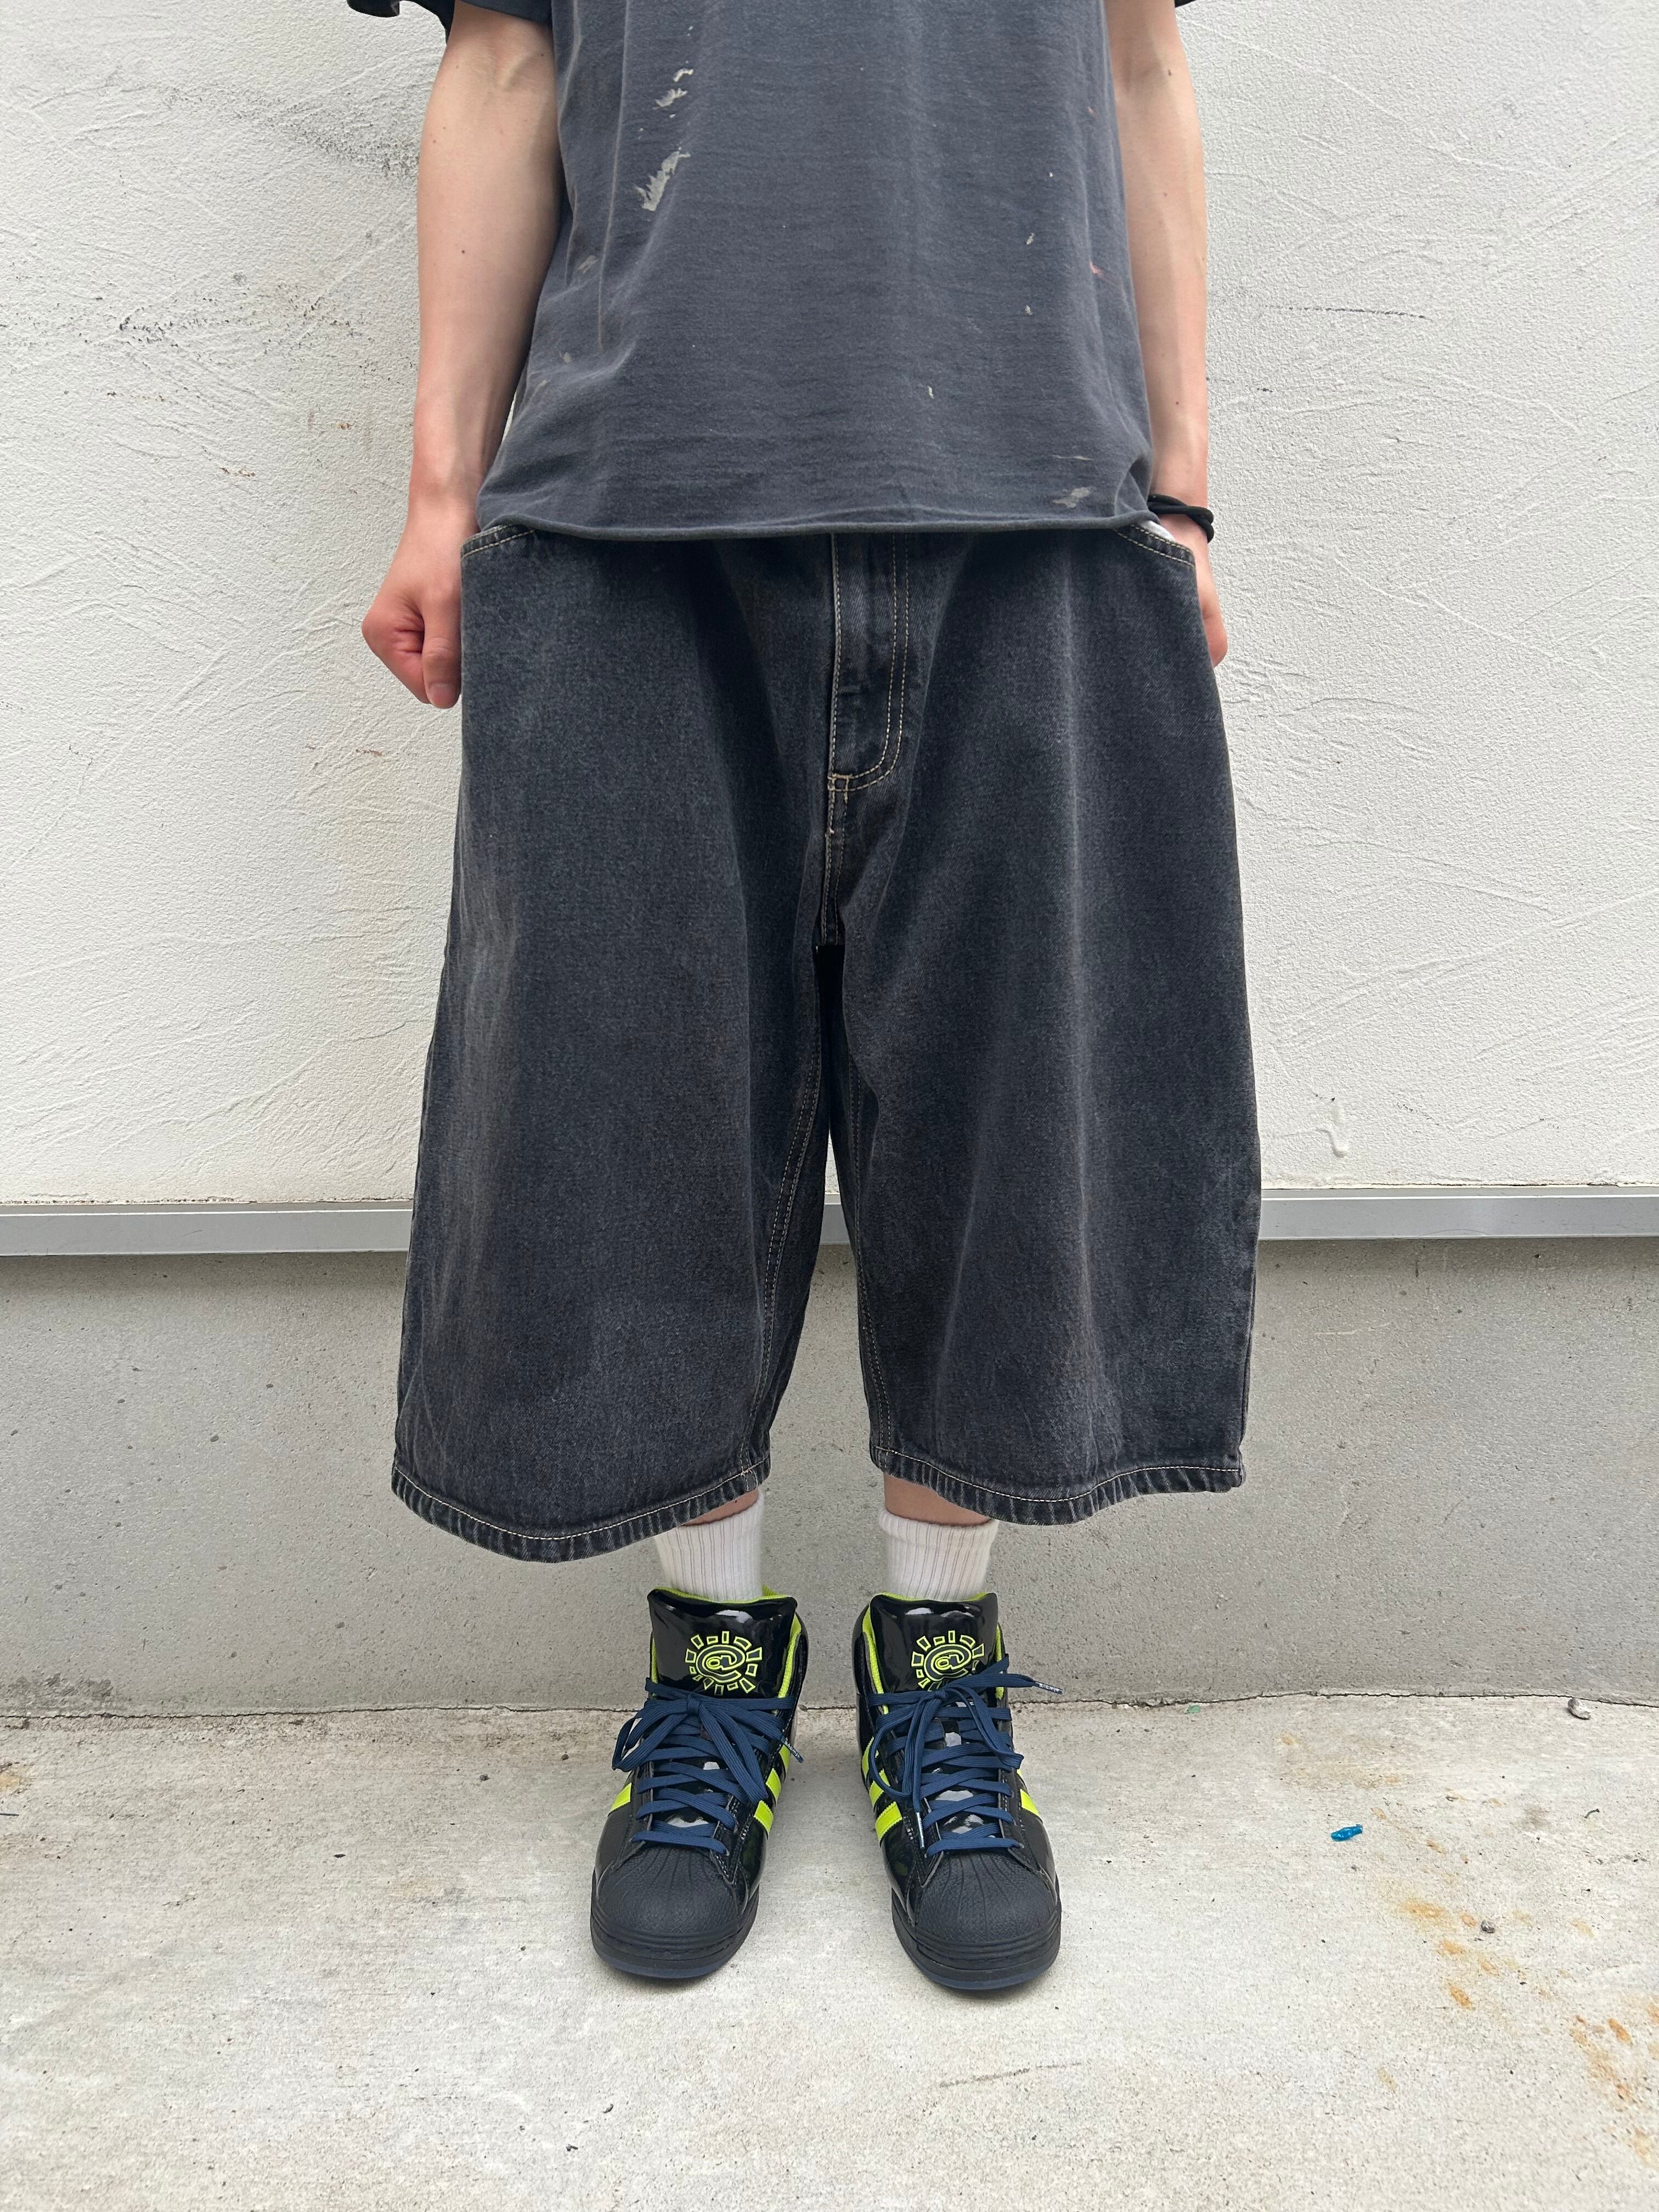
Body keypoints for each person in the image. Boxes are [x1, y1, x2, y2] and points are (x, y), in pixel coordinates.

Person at [353, 0, 1259, 1993]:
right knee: (633, 1116)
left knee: (1009, 1122)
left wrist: (1181, 486)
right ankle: (711, 1671)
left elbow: (1134, 60)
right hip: (627, 510)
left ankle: (940, 1655)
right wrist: (439, 490)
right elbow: (505, 63)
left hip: (1034, 505)